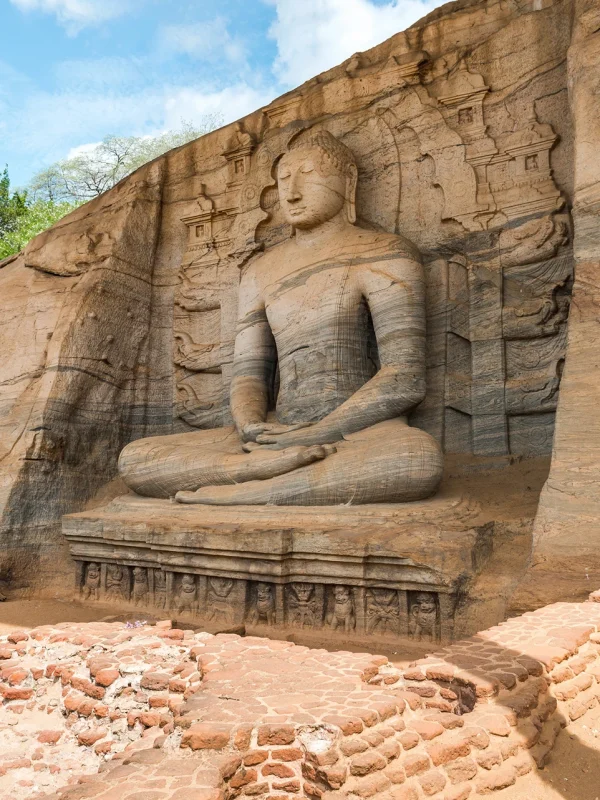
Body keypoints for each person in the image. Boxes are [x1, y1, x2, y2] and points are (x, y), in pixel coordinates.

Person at [118, 129, 442, 505]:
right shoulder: (261, 269)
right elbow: (249, 376)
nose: (293, 191)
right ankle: (255, 472)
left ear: (348, 181)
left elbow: (405, 378)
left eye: (309, 174)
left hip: (358, 433)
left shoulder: (384, 252)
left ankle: (252, 492)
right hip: (275, 436)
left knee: (417, 459)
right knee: (136, 458)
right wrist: (252, 428)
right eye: (284, 179)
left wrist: (318, 432)